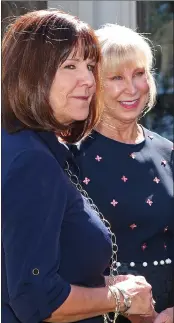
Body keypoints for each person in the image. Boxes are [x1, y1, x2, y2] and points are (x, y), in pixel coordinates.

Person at [1, 10, 155, 323]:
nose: (88, 80)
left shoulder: (28, 146)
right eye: (69, 66)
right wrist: (122, 298)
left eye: (89, 65)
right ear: (31, 74)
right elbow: (35, 298)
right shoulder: (31, 161)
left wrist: (112, 288)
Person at [73, 24, 174, 323]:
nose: (131, 88)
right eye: (116, 77)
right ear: (92, 84)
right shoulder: (69, 157)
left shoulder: (168, 152)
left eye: (139, 74)